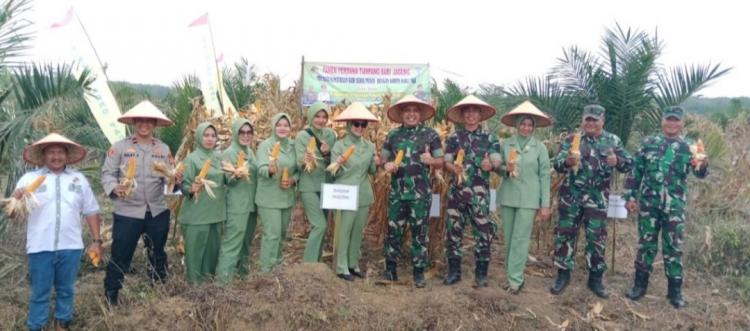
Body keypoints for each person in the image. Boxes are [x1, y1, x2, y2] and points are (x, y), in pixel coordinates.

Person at [623, 106, 708, 308]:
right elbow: (636, 173)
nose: (672, 123)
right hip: (649, 205)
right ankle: (639, 286)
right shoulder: (648, 144)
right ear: (662, 122)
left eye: (676, 120)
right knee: (646, 245)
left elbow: (699, 173)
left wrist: (703, 165)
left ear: (682, 123)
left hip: (674, 208)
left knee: (674, 248)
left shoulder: (689, 148)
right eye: (669, 119)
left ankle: (675, 293)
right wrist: (630, 196)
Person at [15, 133, 102, 331]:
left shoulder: (78, 179)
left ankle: (62, 323)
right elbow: (14, 215)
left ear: (66, 155)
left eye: (60, 152)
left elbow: (91, 210)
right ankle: (36, 326)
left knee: (66, 290)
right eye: (51, 152)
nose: (56, 157)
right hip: (40, 246)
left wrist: (97, 240)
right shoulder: (29, 179)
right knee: (40, 292)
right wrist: (15, 201)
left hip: (70, 246)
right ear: (43, 156)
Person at [550, 104, 633, 298]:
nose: (591, 123)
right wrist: (567, 162)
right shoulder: (572, 139)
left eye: (595, 120)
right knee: (565, 236)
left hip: (597, 202)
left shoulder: (612, 140)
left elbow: (629, 163)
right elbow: (557, 163)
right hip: (571, 199)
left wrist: (617, 162)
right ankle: (563, 276)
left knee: (597, 240)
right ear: (583, 120)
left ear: (602, 121)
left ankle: (595, 280)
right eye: (588, 119)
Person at [101, 101, 178, 305]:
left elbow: (170, 177)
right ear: (134, 122)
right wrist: (114, 187)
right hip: (128, 211)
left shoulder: (163, 149)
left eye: (149, 121)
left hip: (157, 210)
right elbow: (107, 174)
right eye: (140, 121)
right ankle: (111, 297)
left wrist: (174, 178)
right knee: (120, 254)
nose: (144, 124)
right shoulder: (120, 148)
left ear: (154, 124)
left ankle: (159, 291)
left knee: (158, 252)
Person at [380, 95, 443, 288]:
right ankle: (391, 269)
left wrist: (431, 161)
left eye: (415, 111)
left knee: (420, 233)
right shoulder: (392, 136)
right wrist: (388, 164)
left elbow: (441, 161)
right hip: (397, 193)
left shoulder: (431, 135)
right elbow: (382, 159)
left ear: (420, 115)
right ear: (401, 114)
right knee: (393, 232)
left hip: (420, 194)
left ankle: (418, 272)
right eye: (407, 111)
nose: (411, 115)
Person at [442, 95, 501, 287]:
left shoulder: (489, 138)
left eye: (474, 111)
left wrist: (490, 165)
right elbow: (447, 161)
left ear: (480, 115)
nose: (470, 114)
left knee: (483, 232)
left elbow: (496, 160)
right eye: (467, 111)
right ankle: (454, 271)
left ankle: (481, 273)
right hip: (457, 193)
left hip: (480, 195)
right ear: (462, 114)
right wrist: (453, 168)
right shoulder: (454, 138)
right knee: (453, 232)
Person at [496, 101, 553, 294]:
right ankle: (510, 275)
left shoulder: (540, 148)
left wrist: (545, 204)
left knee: (521, 239)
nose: (526, 128)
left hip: (529, 199)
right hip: (508, 196)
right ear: (517, 125)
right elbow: (499, 168)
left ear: (534, 127)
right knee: (510, 239)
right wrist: (505, 169)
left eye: (530, 125)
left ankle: (515, 280)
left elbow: (545, 175)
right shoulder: (506, 144)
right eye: (523, 124)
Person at [329, 102, 379, 280]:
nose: (360, 127)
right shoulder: (339, 146)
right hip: (345, 193)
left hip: (363, 194)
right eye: (356, 124)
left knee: (358, 230)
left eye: (363, 124)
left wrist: (376, 162)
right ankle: (341, 267)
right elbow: (333, 173)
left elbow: (372, 171)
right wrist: (339, 163)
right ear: (349, 125)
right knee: (344, 230)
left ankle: (353, 263)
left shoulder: (370, 146)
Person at [179, 122, 227, 284]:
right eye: (206, 135)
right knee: (195, 253)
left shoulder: (220, 158)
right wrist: (191, 188)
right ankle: (195, 287)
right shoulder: (191, 159)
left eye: (213, 136)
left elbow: (228, 178)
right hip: (196, 215)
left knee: (212, 253)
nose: (210, 139)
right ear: (199, 137)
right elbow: (183, 184)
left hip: (216, 213)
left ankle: (208, 287)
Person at [216, 119, 258, 284]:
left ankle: (242, 274)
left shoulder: (251, 152)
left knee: (246, 242)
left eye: (249, 132)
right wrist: (235, 175)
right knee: (232, 242)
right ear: (235, 133)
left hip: (251, 205)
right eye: (242, 132)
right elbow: (227, 180)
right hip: (237, 205)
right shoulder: (229, 153)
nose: (245, 135)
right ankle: (223, 282)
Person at [255, 113, 299, 273]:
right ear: (273, 127)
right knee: (272, 234)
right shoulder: (265, 145)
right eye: (279, 125)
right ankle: (266, 271)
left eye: (286, 125)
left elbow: (300, 169)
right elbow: (260, 168)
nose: (282, 128)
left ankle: (277, 267)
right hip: (269, 198)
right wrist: (270, 170)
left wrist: (293, 180)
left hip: (286, 197)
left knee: (281, 234)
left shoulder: (293, 146)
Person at [295, 102, 336, 262]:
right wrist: (306, 160)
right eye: (317, 116)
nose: (321, 120)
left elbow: (335, 161)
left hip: (327, 185)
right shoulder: (302, 136)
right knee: (319, 225)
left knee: (323, 226)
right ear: (311, 117)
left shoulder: (330, 135)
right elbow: (298, 162)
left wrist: (328, 153)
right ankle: (308, 265)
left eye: (324, 116)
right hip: (309, 186)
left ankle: (317, 263)